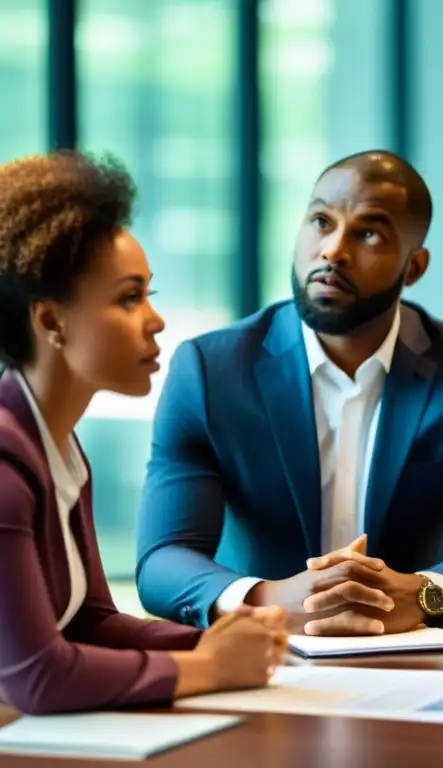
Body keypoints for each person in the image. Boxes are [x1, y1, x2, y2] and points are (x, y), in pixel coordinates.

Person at [135, 150, 443, 636]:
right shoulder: (210, 370)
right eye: (321, 221)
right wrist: (267, 599)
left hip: (413, 651)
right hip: (260, 650)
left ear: (414, 267)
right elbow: (163, 557)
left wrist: (424, 594)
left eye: (368, 233)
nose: (333, 250)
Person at [0, 150, 288, 715]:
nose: (155, 321)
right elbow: (37, 679)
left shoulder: (59, 447)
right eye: (128, 298)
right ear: (51, 322)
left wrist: (223, 640)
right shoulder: (6, 466)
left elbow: (87, 622)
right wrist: (206, 668)